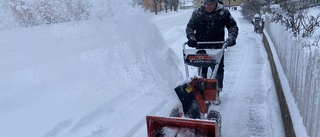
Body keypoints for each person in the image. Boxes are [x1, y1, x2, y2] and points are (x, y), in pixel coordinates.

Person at [186, 0, 239, 92]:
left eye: (211, 4)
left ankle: (217, 90)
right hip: (201, 47)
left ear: (216, 3)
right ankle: (201, 90)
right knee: (202, 68)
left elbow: (232, 26)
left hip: (217, 47)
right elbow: (190, 27)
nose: (209, 6)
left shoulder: (223, 13)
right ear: (203, 3)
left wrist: (231, 38)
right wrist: (191, 38)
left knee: (217, 69)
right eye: (207, 4)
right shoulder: (197, 13)